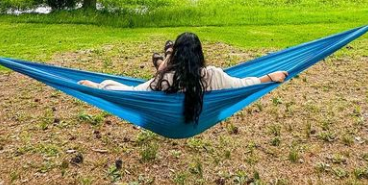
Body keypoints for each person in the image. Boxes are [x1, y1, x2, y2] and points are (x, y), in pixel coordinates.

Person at [78, 32, 288, 124]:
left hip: (164, 118)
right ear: (200, 54)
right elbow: (244, 84)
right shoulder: (213, 75)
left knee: (148, 83)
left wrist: (97, 86)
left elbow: (132, 93)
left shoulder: (165, 80)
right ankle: (162, 60)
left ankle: (163, 59)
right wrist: (270, 76)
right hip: (197, 120)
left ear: (178, 55)